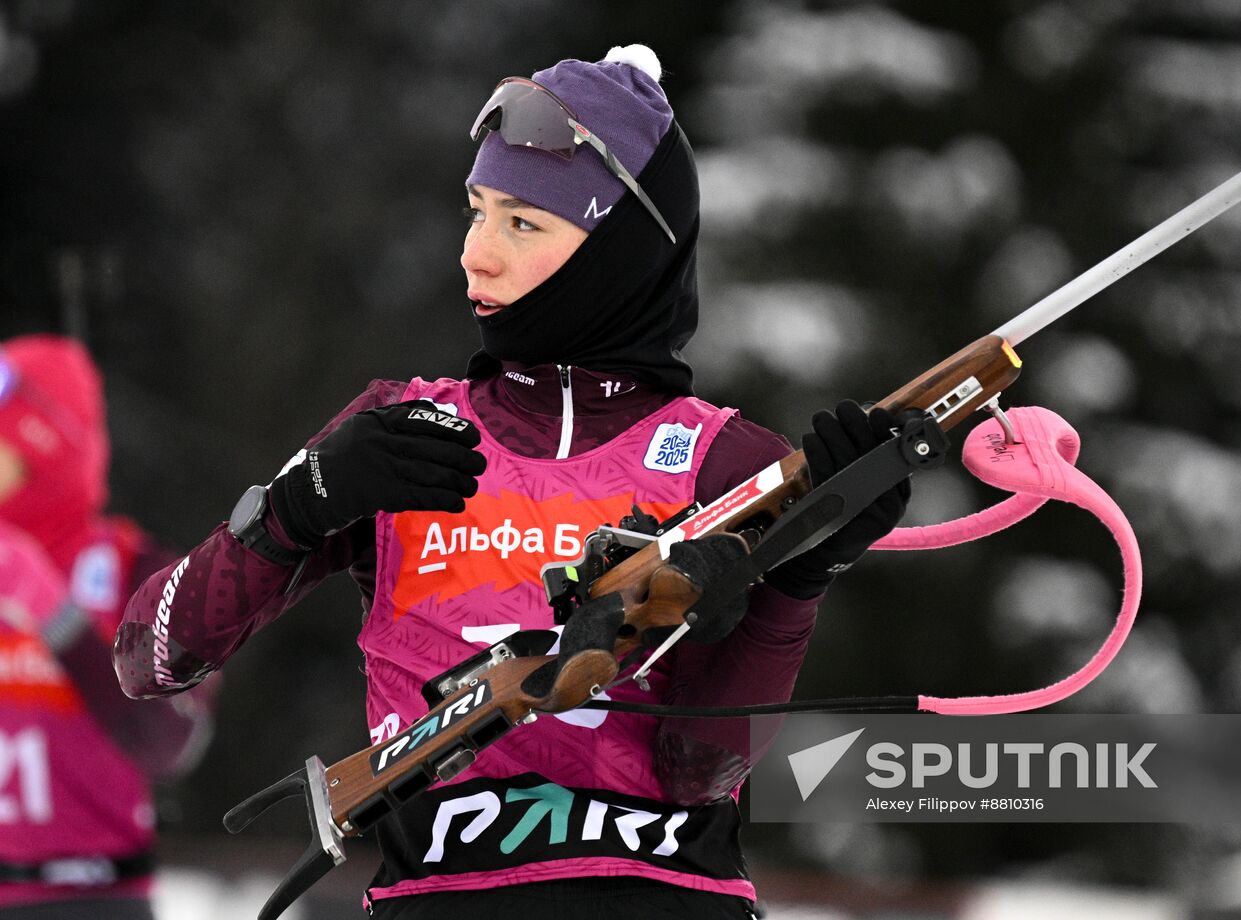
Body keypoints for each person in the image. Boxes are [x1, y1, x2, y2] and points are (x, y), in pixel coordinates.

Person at [115, 45, 923, 919]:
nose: (476, 257)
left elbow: (701, 773)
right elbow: (150, 657)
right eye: (476, 212)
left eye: (523, 224)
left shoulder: (723, 459)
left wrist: (799, 581)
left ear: (620, 247)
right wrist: (295, 507)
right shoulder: (401, 428)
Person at [0, 334, 215, 919]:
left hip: (93, 899)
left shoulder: (134, 572)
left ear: (42, 443)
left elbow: (173, 738)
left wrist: (55, 617)